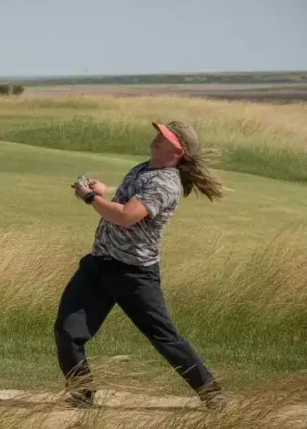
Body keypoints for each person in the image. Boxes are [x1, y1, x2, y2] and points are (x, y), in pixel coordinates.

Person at [56, 120, 228, 411]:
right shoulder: (142, 168)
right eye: (158, 133)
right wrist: (102, 191)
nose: (157, 137)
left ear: (178, 150)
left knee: (164, 337)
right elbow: (121, 204)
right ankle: (82, 394)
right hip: (99, 264)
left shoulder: (165, 182)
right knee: (67, 331)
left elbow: (126, 216)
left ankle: (211, 392)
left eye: (165, 137)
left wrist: (89, 196)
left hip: (134, 274)